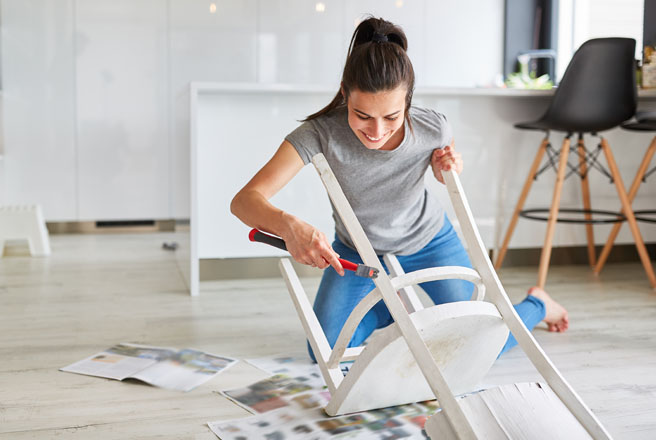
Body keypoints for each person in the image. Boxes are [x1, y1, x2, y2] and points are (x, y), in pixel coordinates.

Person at [230, 17, 569, 360]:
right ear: (345, 93)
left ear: (408, 99)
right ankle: (397, 311)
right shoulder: (319, 134)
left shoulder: (432, 126)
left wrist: (448, 167)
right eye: (362, 115)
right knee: (326, 350)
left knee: (479, 344)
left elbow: (447, 164)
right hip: (356, 250)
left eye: (391, 117)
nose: (377, 131)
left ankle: (537, 304)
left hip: (429, 239)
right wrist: (290, 226)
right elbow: (244, 201)